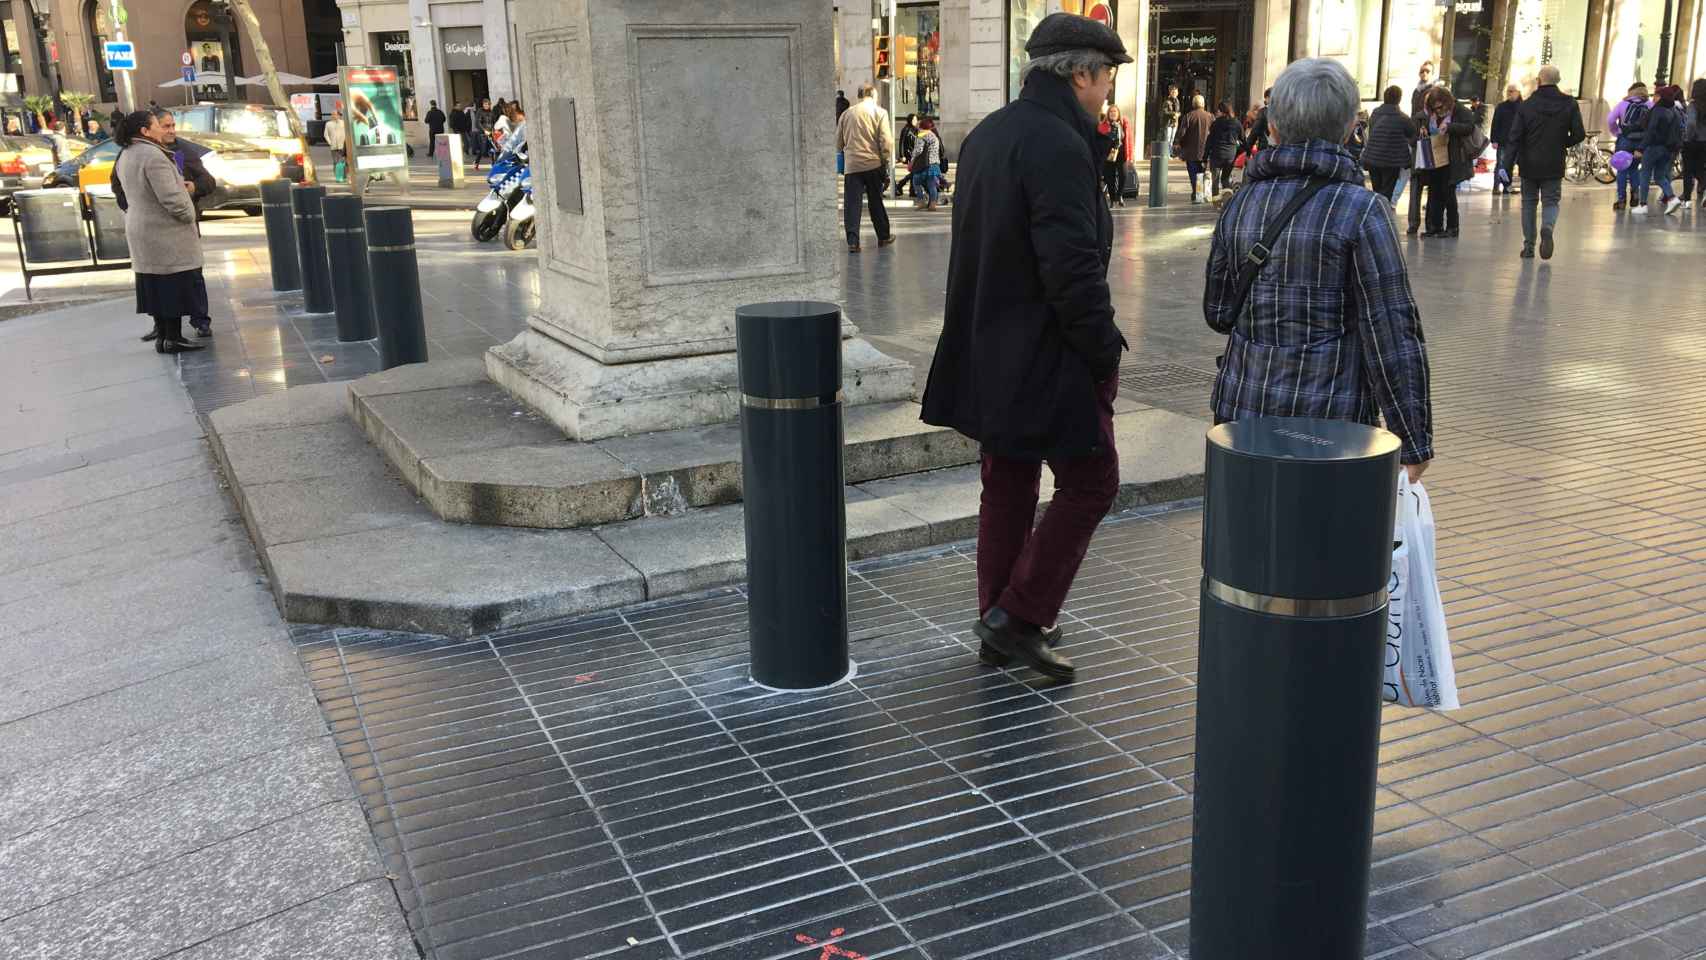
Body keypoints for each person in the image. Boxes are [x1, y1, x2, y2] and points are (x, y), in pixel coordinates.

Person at [921, 12, 1132, 683]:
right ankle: (1019, 615)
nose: (1107, 92)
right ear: (1078, 72)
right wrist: (1104, 350)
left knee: (1007, 478)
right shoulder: (1059, 145)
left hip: (991, 344)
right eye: (1105, 77)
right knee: (1092, 480)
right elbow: (1071, 271)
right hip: (1048, 350)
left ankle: (999, 619)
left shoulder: (990, 133)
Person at [1204, 57, 1432, 485]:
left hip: (1240, 413)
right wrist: (1413, 437)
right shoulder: (1364, 211)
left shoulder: (1239, 204)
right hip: (1330, 423)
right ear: (1348, 129)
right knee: (1322, 545)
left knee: (1248, 542)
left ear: (1272, 127)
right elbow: (1391, 331)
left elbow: (1218, 311)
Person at [112, 111, 207, 355]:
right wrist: (188, 214)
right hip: (163, 231)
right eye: (157, 125)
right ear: (145, 131)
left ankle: (164, 338)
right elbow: (171, 197)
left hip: (142, 228)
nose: (163, 130)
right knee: (171, 285)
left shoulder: (127, 154)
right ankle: (172, 338)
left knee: (158, 284)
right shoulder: (153, 156)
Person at [1508, 64, 1585, 259]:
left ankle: (1529, 247)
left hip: (1529, 163)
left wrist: (1506, 164)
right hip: (1554, 161)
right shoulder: (1569, 104)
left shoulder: (1526, 105)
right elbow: (1579, 134)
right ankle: (1548, 228)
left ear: (1539, 81)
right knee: (1551, 201)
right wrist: (1561, 143)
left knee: (1528, 203)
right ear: (1557, 81)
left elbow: (1515, 136)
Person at [836, 83, 896, 253]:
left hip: (852, 166)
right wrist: (885, 161)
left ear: (859, 95)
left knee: (852, 204)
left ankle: (853, 242)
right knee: (875, 201)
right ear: (874, 95)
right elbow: (886, 142)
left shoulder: (846, 114)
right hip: (873, 163)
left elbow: (838, 143)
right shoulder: (880, 112)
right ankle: (883, 237)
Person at [1420, 87, 1474, 238]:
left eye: (1440, 107)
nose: (1438, 111)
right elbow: (1428, 126)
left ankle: (1452, 227)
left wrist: (1450, 127)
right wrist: (1424, 130)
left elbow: (1469, 126)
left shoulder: (1459, 110)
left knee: (1448, 192)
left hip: (1452, 157)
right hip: (1435, 155)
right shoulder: (1432, 113)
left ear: (1446, 102)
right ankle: (1434, 226)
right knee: (1434, 191)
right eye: (1434, 108)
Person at [1363, 84, 1418, 201]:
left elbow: (1372, 130)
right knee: (1386, 194)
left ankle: (1376, 214)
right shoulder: (1402, 117)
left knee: (1377, 192)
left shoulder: (1375, 113)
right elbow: (1413, 135)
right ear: (1399, 99)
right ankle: (1382, 216)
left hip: (1373, 158)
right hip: (1391, 161)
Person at [1640, 84, 1686, 215]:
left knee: (1645, 174)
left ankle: (1642, 204)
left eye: (1655, 95)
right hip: (1668, 149)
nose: (1653, 98)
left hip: (1653, 147)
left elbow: (1651, 130)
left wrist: (1641, 147)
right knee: (1660, 176)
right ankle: (1671, 198)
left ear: (1660, 97)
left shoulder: (1658, 110)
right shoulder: (1675, 111)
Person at [1609, 82, 1651, 210]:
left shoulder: (1623, 104)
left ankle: (1621, 200)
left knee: (1622, 169)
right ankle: (1635, 195)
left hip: (1625, 140)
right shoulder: (1649, 105)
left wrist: (1616, 132)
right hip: (1641, 141)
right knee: (1634, 168)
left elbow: (1610, 119)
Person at [1174, 94, 1215, 203]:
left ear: (1193, 104)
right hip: (1205, 151)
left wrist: (1179, 144)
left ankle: (1197, 194)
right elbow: (1214, 132)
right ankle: (1198, 193)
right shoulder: (1210, 117)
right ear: (1203, 104)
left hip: (1191, 151)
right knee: (1201, 172)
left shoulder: (1188, 116)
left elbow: (1182, 133)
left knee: (1193, 174)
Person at [1490, 83, 1522, 195]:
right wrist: (1494, 140)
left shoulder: (1523, 107)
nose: (1509, 93)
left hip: (1517, 141)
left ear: (1518, 92)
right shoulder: (1501, 106)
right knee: (1500, 165)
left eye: (1512, 91)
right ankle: (1496, 187)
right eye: (1508, 91)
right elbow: (1495, 124)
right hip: (1503, 141)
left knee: (1510, 166)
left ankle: (1507, 187)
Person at [1095, 104, 1129, 206]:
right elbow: (1099, 141)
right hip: (1108, 154)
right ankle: (1113, 199)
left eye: (1115, 111)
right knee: (1110, 177)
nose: (1113, 113)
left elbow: (1128, 139)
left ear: (1118, 113)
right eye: (1111, 112)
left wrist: (1130, 154)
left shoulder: (1123, 124)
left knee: (1123, 174)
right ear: (1108, 114)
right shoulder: (1103, 125)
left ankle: (1119, 195)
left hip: (1121, 153)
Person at [1206, 101, 1241, 197]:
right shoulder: (1236, 123)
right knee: (1225, 178)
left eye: (1218, 110)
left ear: (1221, 111)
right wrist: (1241, 152)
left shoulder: (1216, 123)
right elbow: (1243, 139)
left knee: (1215, 180)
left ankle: (1216, 200)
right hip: (1230, 155)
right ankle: (1228, 198)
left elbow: (1209, 141)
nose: (1217, 112)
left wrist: (1205, 157)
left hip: (1217, 154)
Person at [910, 117, 944, 210]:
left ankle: (921, 202)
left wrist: (912, 161)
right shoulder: (934, 136)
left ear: (922, 126)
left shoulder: (921, 135)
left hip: (923, 165)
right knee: (932, 185)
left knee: (916, 182)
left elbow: (918, 150)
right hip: (934, 164)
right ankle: (933, 204)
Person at [1682, 79, 1706, 207]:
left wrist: (1688, 137)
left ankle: (1687, 200)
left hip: (1693, 141)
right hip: (1704, 142)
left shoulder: (1693, 105)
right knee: (1700, 168)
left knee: (1688, 171)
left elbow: (1691, 123)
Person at [1239, 88, 1273, 158]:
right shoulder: (1285, 111)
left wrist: (1247, 152)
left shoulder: (1263, 112)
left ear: (1267, 98)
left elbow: (1254, 133)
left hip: (1266, 150)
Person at [896, 114, 920, 198]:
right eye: (914, 120)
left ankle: (901, 185)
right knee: (914, 172)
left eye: (916, 120)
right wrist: (902, 155)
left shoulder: (916, 130)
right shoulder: (905, 129)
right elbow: (901, 143)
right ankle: (910, 189)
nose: (915, 121)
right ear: (910, 120)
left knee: (913, 172)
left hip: (915, 154)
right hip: (909, 154)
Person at [324, 108, 347, 182]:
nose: (333, 116)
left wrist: (346, 141)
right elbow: (326, 134)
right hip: (333, 146)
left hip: (342, 146)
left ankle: (343, 177)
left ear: (339, 115)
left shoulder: (343, 123)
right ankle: (337, 177)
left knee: (342, 162)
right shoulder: (328, 124)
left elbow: (347, 133)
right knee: (336, 162)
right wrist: (330, 142)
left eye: (335, 114)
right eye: (332, 114)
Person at [1161, 85, 1181, 152]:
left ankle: (1169, 152)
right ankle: (1166, 153)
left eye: (1176, 92)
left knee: (1172, 139)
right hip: (1168, 123)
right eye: (1173, 92)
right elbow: (1164, 112)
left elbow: (1178, 111)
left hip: (1175, 123)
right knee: (1167, 139)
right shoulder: (1167, 101)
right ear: (1170, 92)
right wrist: (1173, 114)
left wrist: (1178, 114)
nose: (1175, 93)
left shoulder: (1177, 101)